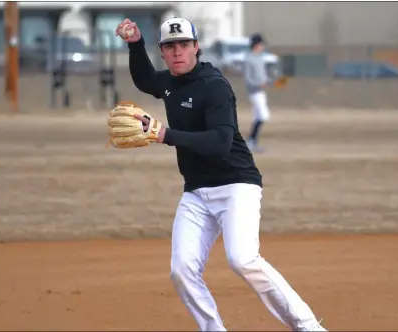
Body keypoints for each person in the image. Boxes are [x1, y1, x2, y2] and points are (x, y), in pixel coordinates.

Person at [115, 17, 328, 332]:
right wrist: (134, 43)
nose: (178, 52)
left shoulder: (214, 85)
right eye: (170, 46)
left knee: (242, 259)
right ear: (163, 51)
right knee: (182, 269)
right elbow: (146, 79)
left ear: (196, 47)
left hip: (237, 185)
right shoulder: (169, 83)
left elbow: (219, 141)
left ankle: (308, 327)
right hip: (197, 192)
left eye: (184, 45)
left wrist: (165, 135)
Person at [244, 33, 271, 153]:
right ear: (256, 45)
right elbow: (248, 78)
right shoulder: (249, 59)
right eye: (261, 44)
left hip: (261, 91)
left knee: (257, 117)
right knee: (264, 115)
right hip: (254, 92)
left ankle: (252, 142)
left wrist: (269, 81)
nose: (263, 46)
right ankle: (251, 141)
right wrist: (258, 84)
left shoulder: (260, 58)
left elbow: (263, 76)